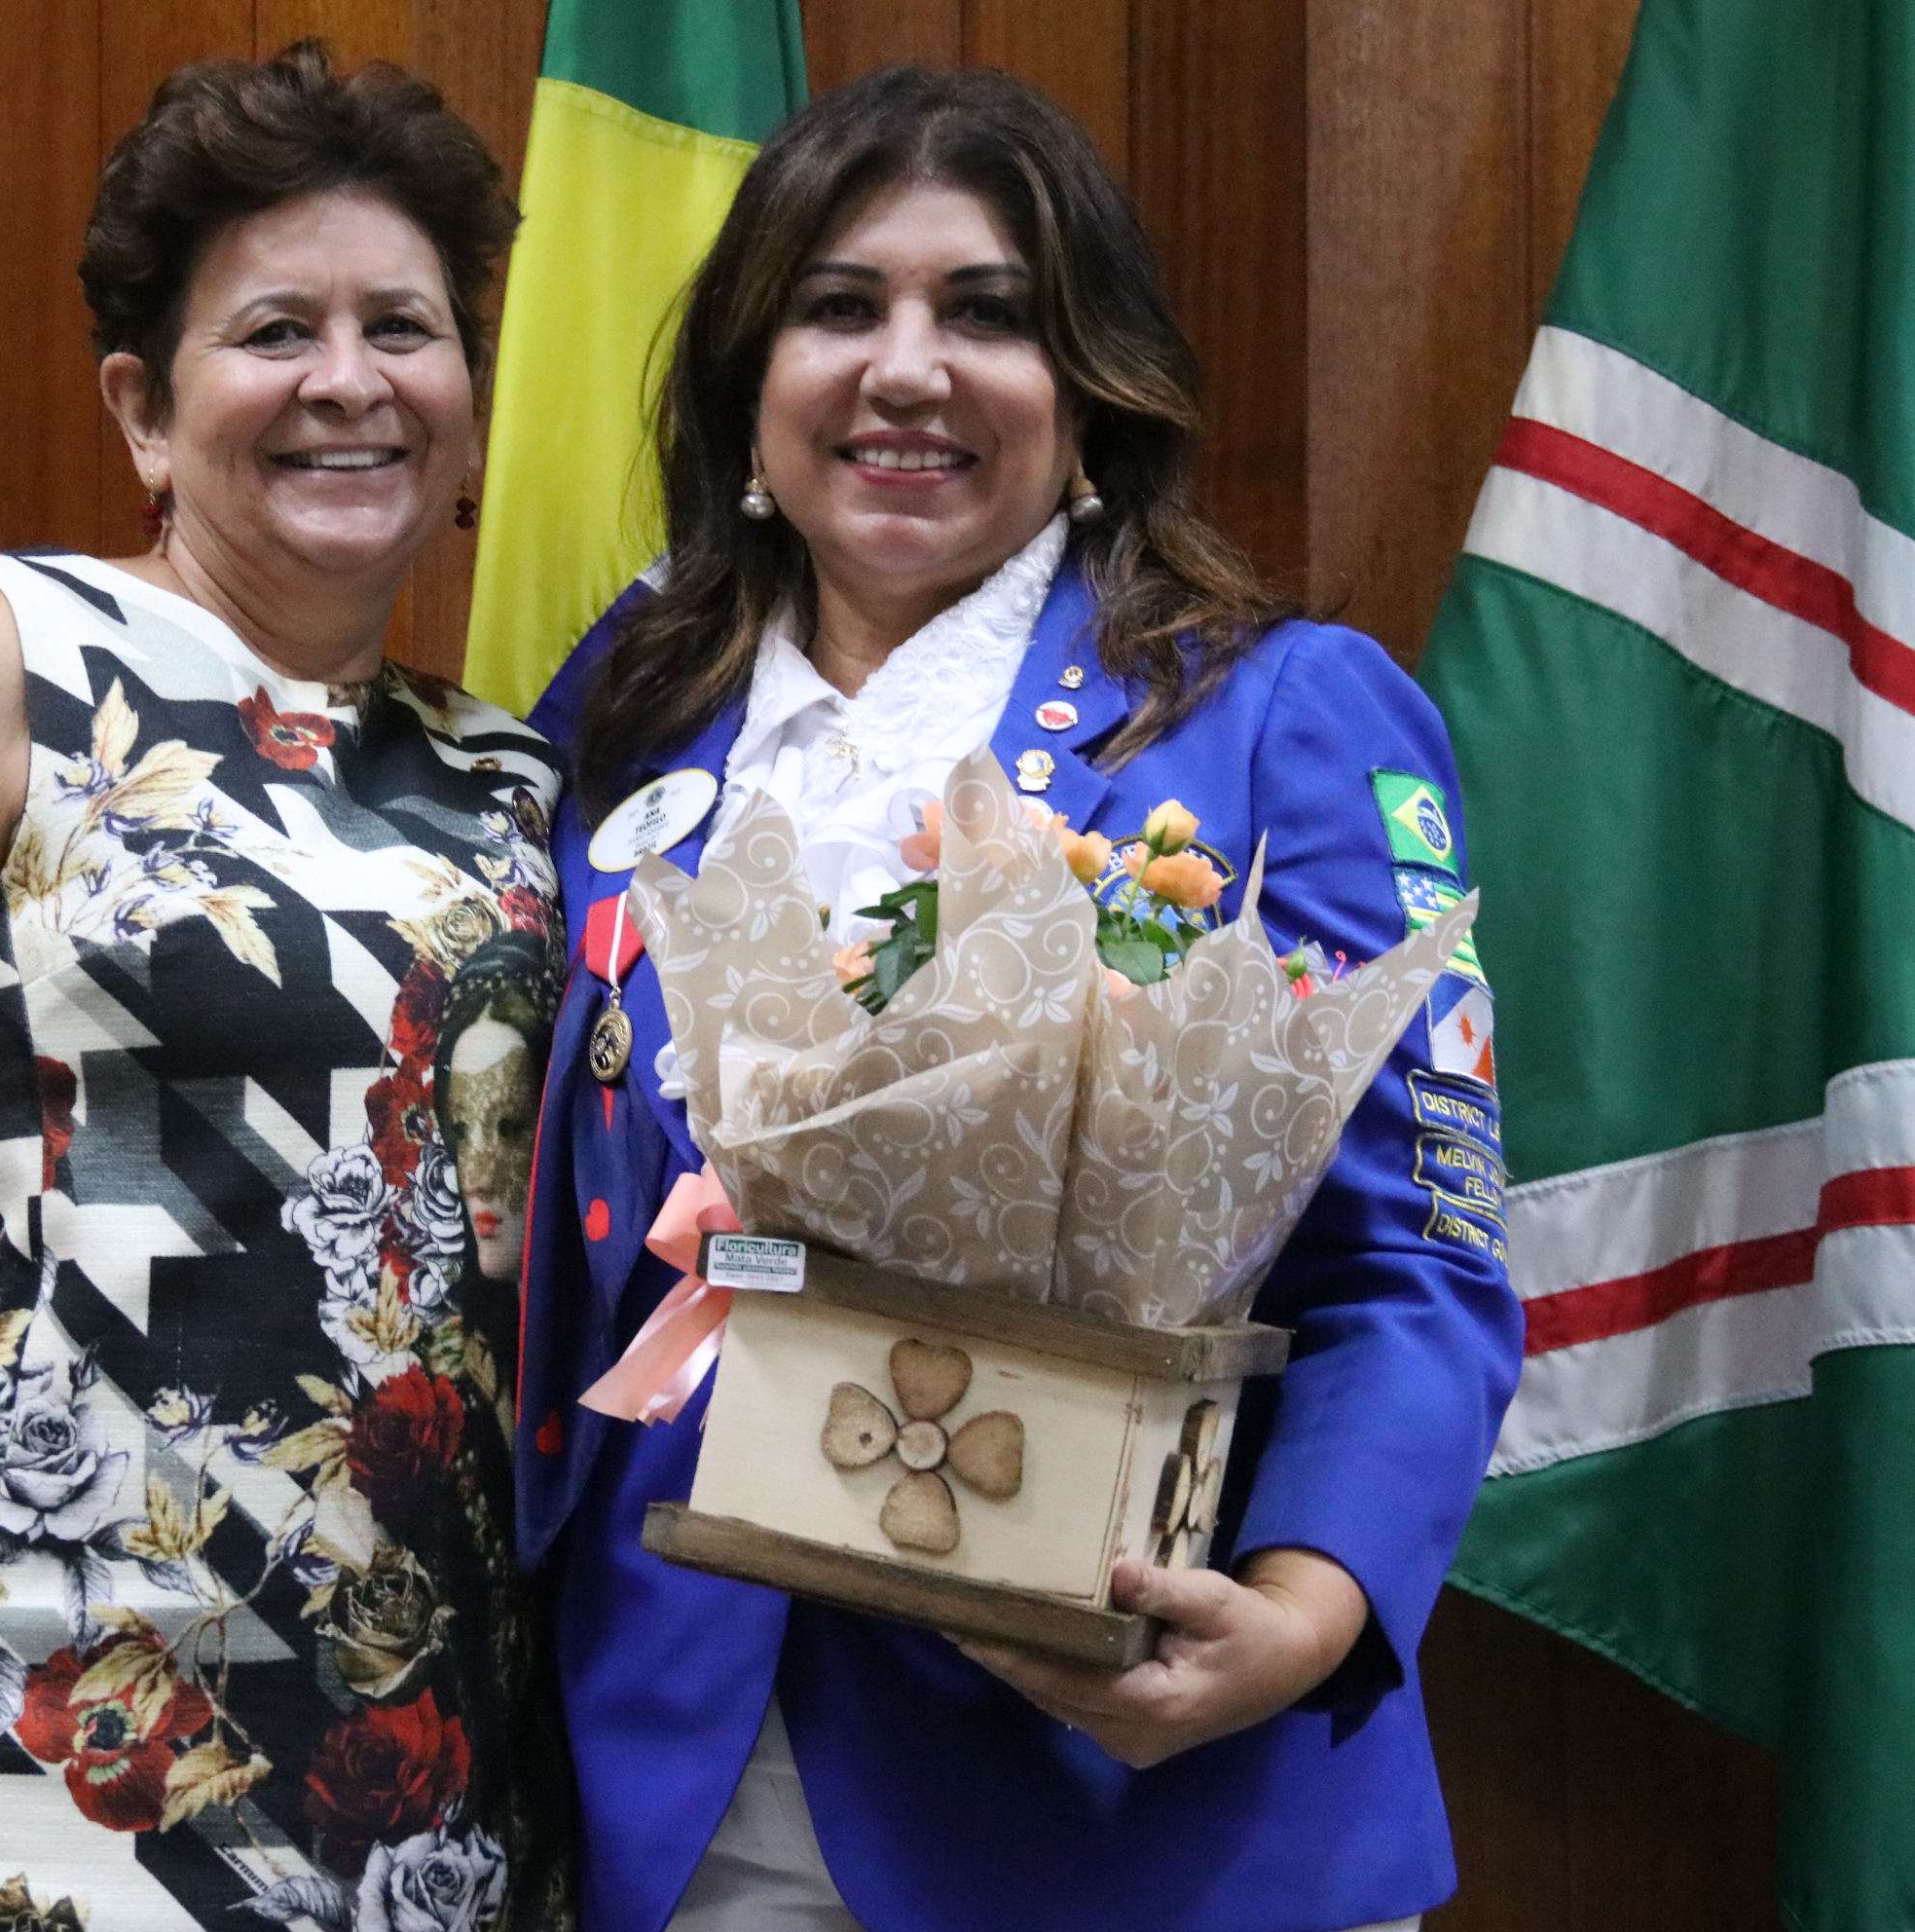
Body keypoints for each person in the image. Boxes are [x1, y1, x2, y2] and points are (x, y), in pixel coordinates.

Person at [514, 65, 1522, 1932]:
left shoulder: (1280, 714)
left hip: (1133, 1789)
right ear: (749, 386)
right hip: (682, 1783)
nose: (907, 370)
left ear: (1087, 396)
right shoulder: (626, 715)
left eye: (986, 313)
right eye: (839, 307)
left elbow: (1420, 1260)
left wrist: (1296, 1619)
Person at [0, 44, 575, 1929]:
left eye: (403, 328)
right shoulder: (2, 650)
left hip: (418, 1727)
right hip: (50, 1704)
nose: (348, 379)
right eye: (276, 329)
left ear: (471, 409)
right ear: (145, 409)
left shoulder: (524, 786)